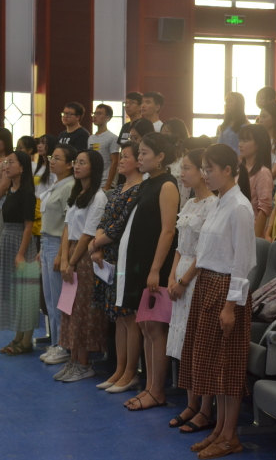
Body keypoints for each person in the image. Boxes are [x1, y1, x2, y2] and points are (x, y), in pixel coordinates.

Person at [179, 144, 255, 458]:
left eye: (210, 169)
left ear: (227, 170)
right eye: (204, 169)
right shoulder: (220, 202)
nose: (206, 174)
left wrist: (230, 306)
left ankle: (230, 435)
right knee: (213, 364)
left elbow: (242, 262)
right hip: (207, 284)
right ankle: (220, 431)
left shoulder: (240, 207)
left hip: (226, 289)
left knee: (228, 366)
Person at [118, 133, 180, 411]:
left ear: (161, 157)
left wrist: (155, 269)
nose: (140, 157)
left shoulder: (167, 185)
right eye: (139, 153)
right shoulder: (147, 183)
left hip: (156, 265)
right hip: (140, 263)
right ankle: (149, 387)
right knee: (144, 326)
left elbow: (168, 231)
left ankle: (157, 390)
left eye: (144, 153)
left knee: (155, 327)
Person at [165, 148, 217, 433]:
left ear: (201, 171)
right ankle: (191, 403)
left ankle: (206, 409)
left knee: (199, 342)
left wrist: (184, 280)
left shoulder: (212, 204)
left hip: (197, 276)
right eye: (181, 168)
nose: (182, 173)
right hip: (181, 273)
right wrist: (172, 275)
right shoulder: (188, 204)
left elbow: (204, 251)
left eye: (187, 168)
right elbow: (179, 247)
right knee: (184, 342)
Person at [88, 141, 143, 391]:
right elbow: (104, 221)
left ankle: (131, 372)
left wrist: (95, 243)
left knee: (129, 317)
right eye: (120, 156)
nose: (120, 161)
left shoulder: (139, 190)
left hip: (125, 256)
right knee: (118, 317)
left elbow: (119, 226)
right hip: (107, 256)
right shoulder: (119, 189)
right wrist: (97, 246)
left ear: (139, 161)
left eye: (126, 157)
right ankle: (119, 369)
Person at [54, 150, 109, 382]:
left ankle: (85, 364)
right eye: (76, 162)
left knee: (83, 311)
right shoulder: (78, 194)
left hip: (85, 257)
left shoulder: (98, 197)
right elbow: (67, 227)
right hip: (72, 255)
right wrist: (64, 260)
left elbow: (88, 234)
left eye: (82, 163)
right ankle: (73, 359)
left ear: (93, 168)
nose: (76, 166)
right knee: (70, 309)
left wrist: (72, 262)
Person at [0, 151, 39, 354]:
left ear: (22, 168)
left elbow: (28, 226)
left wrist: (20, 254)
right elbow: (7, 223)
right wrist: (0, 249)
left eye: (11, 162)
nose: (6, 166)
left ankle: (26, 341)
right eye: (6, 162)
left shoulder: (27, 192)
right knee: (15, 293)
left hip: (22, 243)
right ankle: (18, 337)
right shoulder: (11, 190)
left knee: (25, 293)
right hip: (8, 241)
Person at [38, 144, 77, 366]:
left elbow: (67, 224)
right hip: (46, 243)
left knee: (59, 299)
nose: (52, 161)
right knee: (50, 299)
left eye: (58, 158)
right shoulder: (56, 185)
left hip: (56, 244)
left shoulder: (69, 187)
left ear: (69, 165)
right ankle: (55, 342)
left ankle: (64, 345)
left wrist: (61, 254)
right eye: (52, 157)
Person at [238, 124, 273, 238]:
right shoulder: (238, 169)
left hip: (250, 228)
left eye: (245, 141)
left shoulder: (263, 172)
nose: (240, 144)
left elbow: (264, 209)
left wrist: (255, 239)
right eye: (240, 140)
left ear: (258, 144)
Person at [161, 119, 192, 208]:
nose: (163, 136)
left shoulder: (184, 161)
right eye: (161, 133)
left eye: (167, 133)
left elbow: (185, 192)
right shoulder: (161, 159)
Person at [88, 103, 119, 190]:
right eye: (94, 113)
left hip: (105, 182)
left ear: (107, 118)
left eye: (99, 114)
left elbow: (115, 162)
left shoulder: (112, 138)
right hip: (92, 181)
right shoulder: (90, 138)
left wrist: (108, 184)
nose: (95, 116)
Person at [257, 100, 276, 185]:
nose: (260, 120)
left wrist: (260, 181)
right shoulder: (259, 140)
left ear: (274, 119)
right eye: (260, 117)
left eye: (264, 117)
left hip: (273, 184)